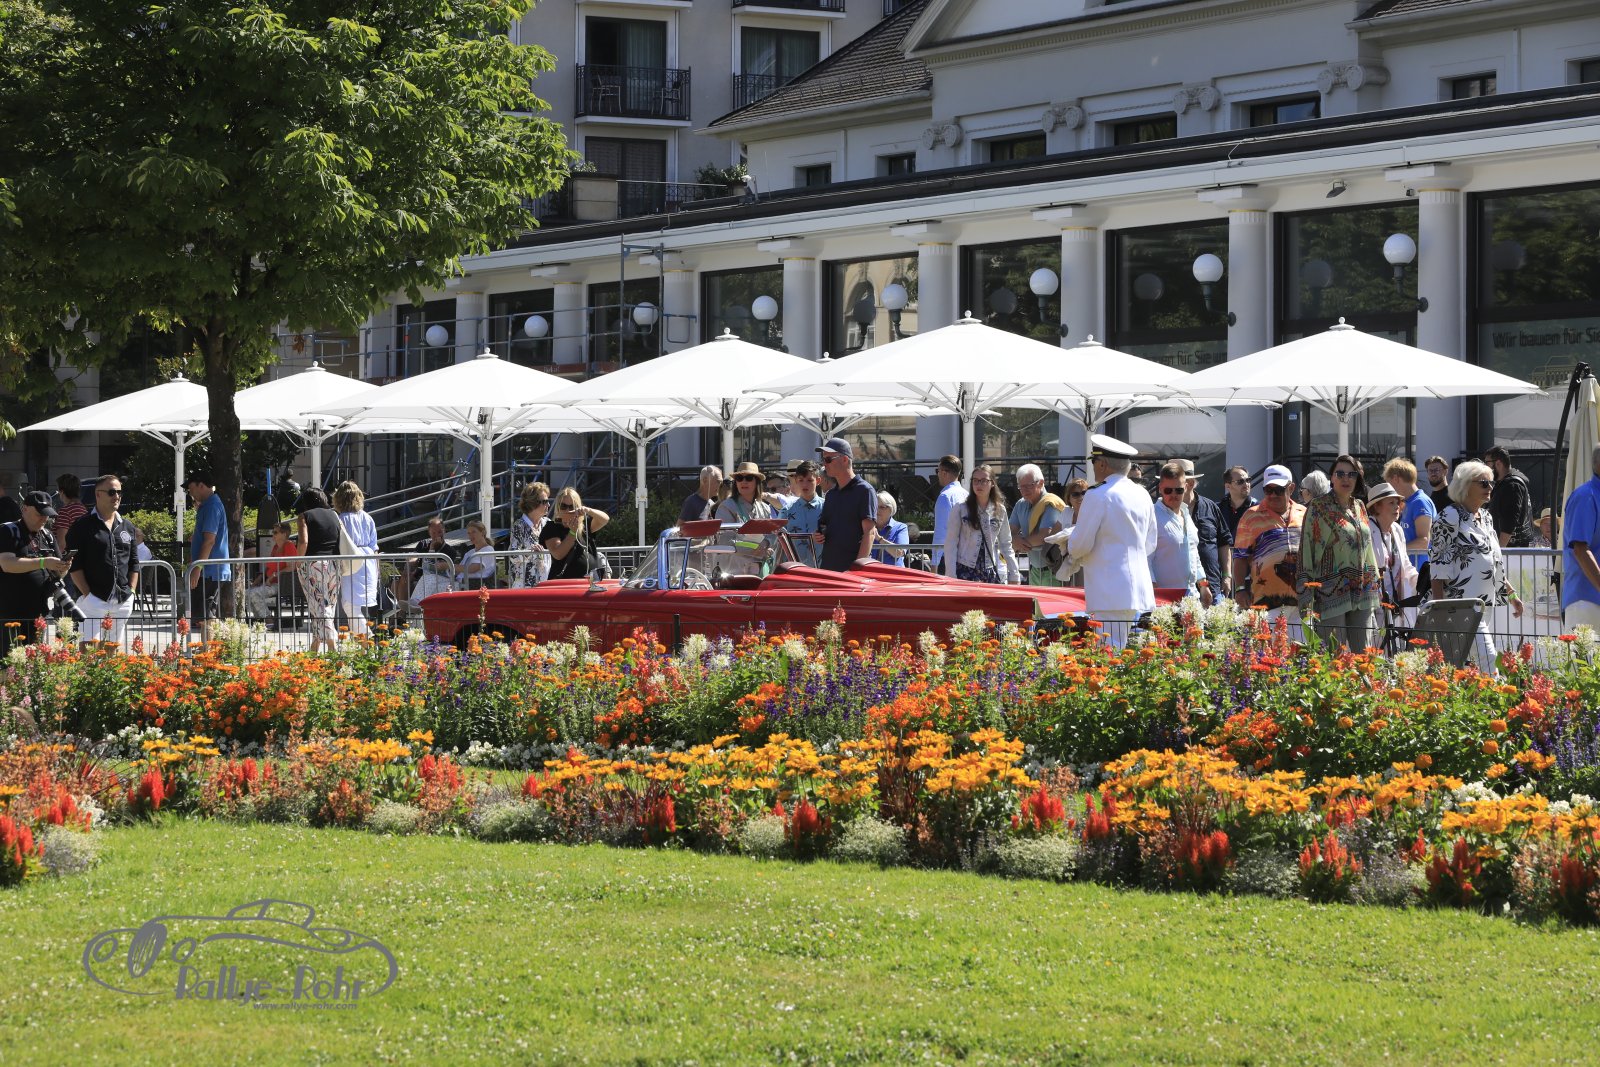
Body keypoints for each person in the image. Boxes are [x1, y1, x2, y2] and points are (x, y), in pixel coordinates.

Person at [1064, 435, 1157, 648]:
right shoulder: (1142, 493)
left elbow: (1080, 545)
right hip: (1137, 588)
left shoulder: (1098, 495)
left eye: (1094, 463)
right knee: (1126, 650)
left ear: (1102, 464)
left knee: (1109, 652)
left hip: (1109, 589)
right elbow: (1150, 543)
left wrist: (1067, 544)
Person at [1431, 460, 1523, 673]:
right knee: (1488, 659)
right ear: (1464, 485)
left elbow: (1494, 563)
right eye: (1483, 483)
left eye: (1491, 483)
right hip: (1459, 606)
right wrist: (1440, 611)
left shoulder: (1487, 517)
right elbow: (1438, 567)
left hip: (1484, 605)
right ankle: (1498, 693)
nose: (1489, 487)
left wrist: (1511, 595)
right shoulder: (1449, 516)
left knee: (1467, 666)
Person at [1297, 454, 1379, 651]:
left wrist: (1375, 582)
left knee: (1364, 656)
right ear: (1332, 477)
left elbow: (1367, 546)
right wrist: (1306, 591)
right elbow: (1307, 548)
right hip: (1330, 591)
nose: (1346, 478)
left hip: (1362, 589)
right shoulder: (1318, 506)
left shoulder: (1360, 506)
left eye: (1352, 474)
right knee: (1333, 656)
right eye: (1340, 473)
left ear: (1358, 478)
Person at [1232, 464, 1306, 641]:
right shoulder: (1251, 516)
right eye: (1268, 490)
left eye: (1278, 490)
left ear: (1291, 488)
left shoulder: (1305, 513)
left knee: (1303, 653)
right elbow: (1240, 558)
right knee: (1269, 653)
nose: (1272, 495)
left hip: (1303, 602)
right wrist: (1240, 589)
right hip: (1266, 602)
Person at [66, 474, 139, 646]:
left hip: (122, 599)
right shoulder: (81, 525)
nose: (117, 496)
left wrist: (132, 591)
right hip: (93, 599)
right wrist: (88, 595)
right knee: (89, 647)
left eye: (119, 492)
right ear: (98, 494)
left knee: (113, 648)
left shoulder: (127, 526)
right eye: (112, 492)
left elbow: (134, 562)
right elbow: (74, 564)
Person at [0, 491, 70, 657]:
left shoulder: (47, 535)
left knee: (33, 661)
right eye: (40, 514)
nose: (44, 519)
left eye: (47, 515)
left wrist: (64, 567)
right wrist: (43, 562)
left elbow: (58, 575)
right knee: (8, 661)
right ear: (24, 509)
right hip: (10, 613)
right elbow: (6, 564)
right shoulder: (8, 530)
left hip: (38, 613)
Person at [945, 465, 1021, 584]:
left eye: (983, 480)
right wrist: (951, 575)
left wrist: (1014, 574)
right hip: (964, 570)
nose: (978, 484)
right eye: (975, 480)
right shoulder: (960, 508)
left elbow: (1006, 544)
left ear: (992, 483)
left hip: (989, 571)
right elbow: (951, 543)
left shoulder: (1000, 510)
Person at [1366, 482, 1419, 648]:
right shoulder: (1366, 530)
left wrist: (1421, 582)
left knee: (1397, 649)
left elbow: (1406, 564)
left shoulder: (1397, 530)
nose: (1397, 506)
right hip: (1374, 603)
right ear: (1377, 507)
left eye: (1398, 502)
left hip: (1397, 603)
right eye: (1391, 502)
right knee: (1376, 649)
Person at [1150, 461, 1209, 604]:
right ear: (1160, 488)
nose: (1173, 495)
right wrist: (1154, 592)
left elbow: (1193, 552)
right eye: (1168, 490)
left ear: (1186, 487)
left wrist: (1203, 585)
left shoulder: (1185, 513)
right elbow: (1145, 558)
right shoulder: (1152, 515)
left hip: (1191, 598)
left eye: (1178, 490)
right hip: (1164, 601)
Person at [814, 438, 877, 573]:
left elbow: (870, 533)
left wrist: (857, 570)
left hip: (851, 572)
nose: (824, 464)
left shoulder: (864, 491)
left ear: (844, 460)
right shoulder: (831, 494)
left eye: (828, 459)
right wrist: (819, 534)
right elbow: (823, 526)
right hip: (829, 569)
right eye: (823, 459)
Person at [293, 488, 343, 652]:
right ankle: (315, 646)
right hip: (334, 564)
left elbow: (303, 542)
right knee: (326, 605)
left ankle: (332, 645)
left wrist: (298, 561)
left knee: (319, 605)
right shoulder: (334, 515)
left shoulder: (304, 516)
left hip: (312, 564)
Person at [185, 471, 232, 643]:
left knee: (208, 615)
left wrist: (197, 567)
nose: (190, 493)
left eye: (191, 488)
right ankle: (209, 649)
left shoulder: (211, 506)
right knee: (206, 615)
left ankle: (209, 651)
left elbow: (209, 541)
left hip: (210, 570)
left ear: (201, 485)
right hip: (210, 569)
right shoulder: (208, 505)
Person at [331, 480, 379, 638]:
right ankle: (361, 641)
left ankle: (367, 638)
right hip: (368, 559)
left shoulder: (341, 519)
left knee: (349, 603)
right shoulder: (368, 518)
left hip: (351, 559)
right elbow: (374, 546)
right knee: (354, 604)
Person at [1561, 445, 1600, 632]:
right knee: (1584, 653)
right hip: (1586, 601)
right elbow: (1580, 550)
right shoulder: (1585, 496)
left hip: (1590, 599)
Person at [1384, 458, 1436, 598]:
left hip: (1419, 574)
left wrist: (1395, 551)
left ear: (1396, 478)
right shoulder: (1408, 502)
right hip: (1410, 574)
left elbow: (1424, 541)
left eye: (1389, 483)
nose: (1389, 489)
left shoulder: (1420, 502)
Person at [1179, 459, 1229, 598]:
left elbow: (1224, 542)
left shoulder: (1210, 507)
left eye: (1176, 485)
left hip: (1211, 587)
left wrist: (1227, 576)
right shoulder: (1159, 512)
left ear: (1189, 484)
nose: (1171, 491)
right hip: (1176, 591)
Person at [715, 462, 775, 577]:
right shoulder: (726, 507)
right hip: (733, 573)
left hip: (760, 572)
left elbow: (772, 535)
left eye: (749, 478)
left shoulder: (765, 508)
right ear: (736, 483)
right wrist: (755, 548)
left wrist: (766, 544)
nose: (744, 481)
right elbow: (726, 541)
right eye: (739, 478)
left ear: (757, 482)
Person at [1010, 463, 1066, 587]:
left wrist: (1018, 543)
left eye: (1028, 486)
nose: (1024, 490)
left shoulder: (1051, 503)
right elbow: (1009, 533)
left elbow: (1044, 536)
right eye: (1021, 486)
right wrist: (1014, 540)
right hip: (1035, 571)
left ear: (1041, 483)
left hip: (1054, 571)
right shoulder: (1020, 504)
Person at [543, 488, 610, 582]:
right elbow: (558, 554)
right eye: (563, 506)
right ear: (558, 507)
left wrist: (588, 510)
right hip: (566, 582)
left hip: (590, 581)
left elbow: (605, 519)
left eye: (572, 507)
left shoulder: (585, 524)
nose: (568, 510)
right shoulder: (551, 527)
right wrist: (572, 532)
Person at [244, 522, 297, 623]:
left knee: (254, 594)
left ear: (284, 534)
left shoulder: (289, 546)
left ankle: (269, 621)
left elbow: (291, 567)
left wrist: (273, 576)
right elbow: (268, 567)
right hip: (270, 583)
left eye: (275, 532)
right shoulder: (276, 547)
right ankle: (260, 621)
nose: (273, 534)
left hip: (282, 584)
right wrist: (258, 579)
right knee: (246, 593)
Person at [1484, 445, 1535, 549]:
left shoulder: (1512, 485)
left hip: (1512, 549)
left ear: (1498, 463)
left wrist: (1500, 551)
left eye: (1487, 463)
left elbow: (1509, 522)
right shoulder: (1503, 484)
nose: (1485, 468)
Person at [778, 460, 824, 567]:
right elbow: (779, 540)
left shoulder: (827, 508)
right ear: (796, 481)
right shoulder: (786, 511)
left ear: (818, 481)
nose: (805, 484)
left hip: (822, 567)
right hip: (795, 568)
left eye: (809, 480)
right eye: (801, 480)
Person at [509, 482, 552, 589]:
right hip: (524, 585)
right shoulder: (519, 525)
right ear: (533, 503)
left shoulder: (548, 523)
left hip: (546, 583)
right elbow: (512, 556)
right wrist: (530, 552)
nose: (548, 505)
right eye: (545, 502)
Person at [930, 454, 966, 576]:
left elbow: (941, 532)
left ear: (944, 473)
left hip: (947, 558)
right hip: (965, 555)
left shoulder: (945, 497)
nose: (938, 474)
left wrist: (934, 563)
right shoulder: (966, 494)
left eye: (938, 471)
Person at [1218, 466, 1257, 542]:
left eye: (1248, 480)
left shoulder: (1258, 508)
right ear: (1228, 486)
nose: (1246, 484)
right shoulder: (1218, 509)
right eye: (1240, 481)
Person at [871, 491, 909, 566]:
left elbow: (899, 552)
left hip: (893, 572)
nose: (877, 510)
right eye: (874, 506)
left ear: (891, 509)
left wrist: (879, 538)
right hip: (871, 571)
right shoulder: (867, 526)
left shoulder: (900, 527)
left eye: (882, 507)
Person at [459, 520, 498, 590]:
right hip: (460, 583)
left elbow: (472, 569)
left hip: (473, 586)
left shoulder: (488, 550)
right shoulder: (470, 552)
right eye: (469, 533)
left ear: (482, 533)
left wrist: (448, 565)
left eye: (473, 532)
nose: (470, 535)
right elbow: (458, 569)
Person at [52, 474, 87, 546]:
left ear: (62, 492)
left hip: (68, 552)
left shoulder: (65, 511)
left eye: (58, 490)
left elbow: (61, 544)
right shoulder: (83, 509)